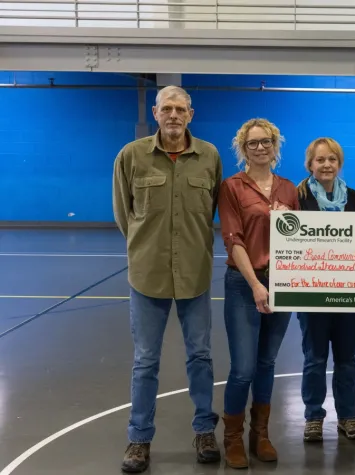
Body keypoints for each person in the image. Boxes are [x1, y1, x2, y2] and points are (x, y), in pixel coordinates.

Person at [112, 85, 223, 473]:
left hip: (195, 273)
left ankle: (204, 430)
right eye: (167, 109)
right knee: (145, 361)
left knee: (201, 356)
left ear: (190, 114)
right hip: (148, 275)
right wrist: (146, 250)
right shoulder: (131, 156)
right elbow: (124, 215)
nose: (173, 115)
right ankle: (139, 439)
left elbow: (211, 211)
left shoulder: (208, 156)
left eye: (181, 109)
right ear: (156, 113)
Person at [217, 118, 299, 469]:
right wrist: (255, 285)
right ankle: (233, 437)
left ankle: (260, 435)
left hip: (281, 284)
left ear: (275, 145)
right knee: (243, 368)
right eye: (253, 143)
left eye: (266, 141)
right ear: (243, 149)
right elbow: (232, 239)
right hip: (243, 283)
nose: (261, 148)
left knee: (267, 363)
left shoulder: (288, 189)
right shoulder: (232, 187)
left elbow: (301, 241)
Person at [295, 137, 355, 442]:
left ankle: (347, 415)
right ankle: (313, 416)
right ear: (310, 164)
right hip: (311, 292)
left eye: (332, 160)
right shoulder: (297, 198)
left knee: (347, 358)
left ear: (339, 163)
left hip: (348, 291)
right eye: (320, 160)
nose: (326, 165)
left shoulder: (353, 198)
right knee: (314, 357)